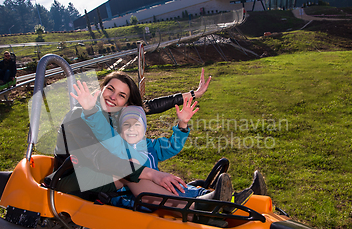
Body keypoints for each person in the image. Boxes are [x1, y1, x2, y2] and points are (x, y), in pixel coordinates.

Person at [71, 81, 253, 210]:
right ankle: (203, 204)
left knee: (186, 188)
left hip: (154, 188)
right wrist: (90, 110)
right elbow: (103, 132)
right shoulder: (118, 145)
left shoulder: (149, 145)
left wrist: (182, 124)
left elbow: (171, 144)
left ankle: (228, 198)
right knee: (172, 187)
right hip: (133, 193)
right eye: (127, 126)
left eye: (121, 95)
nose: (132, 130)